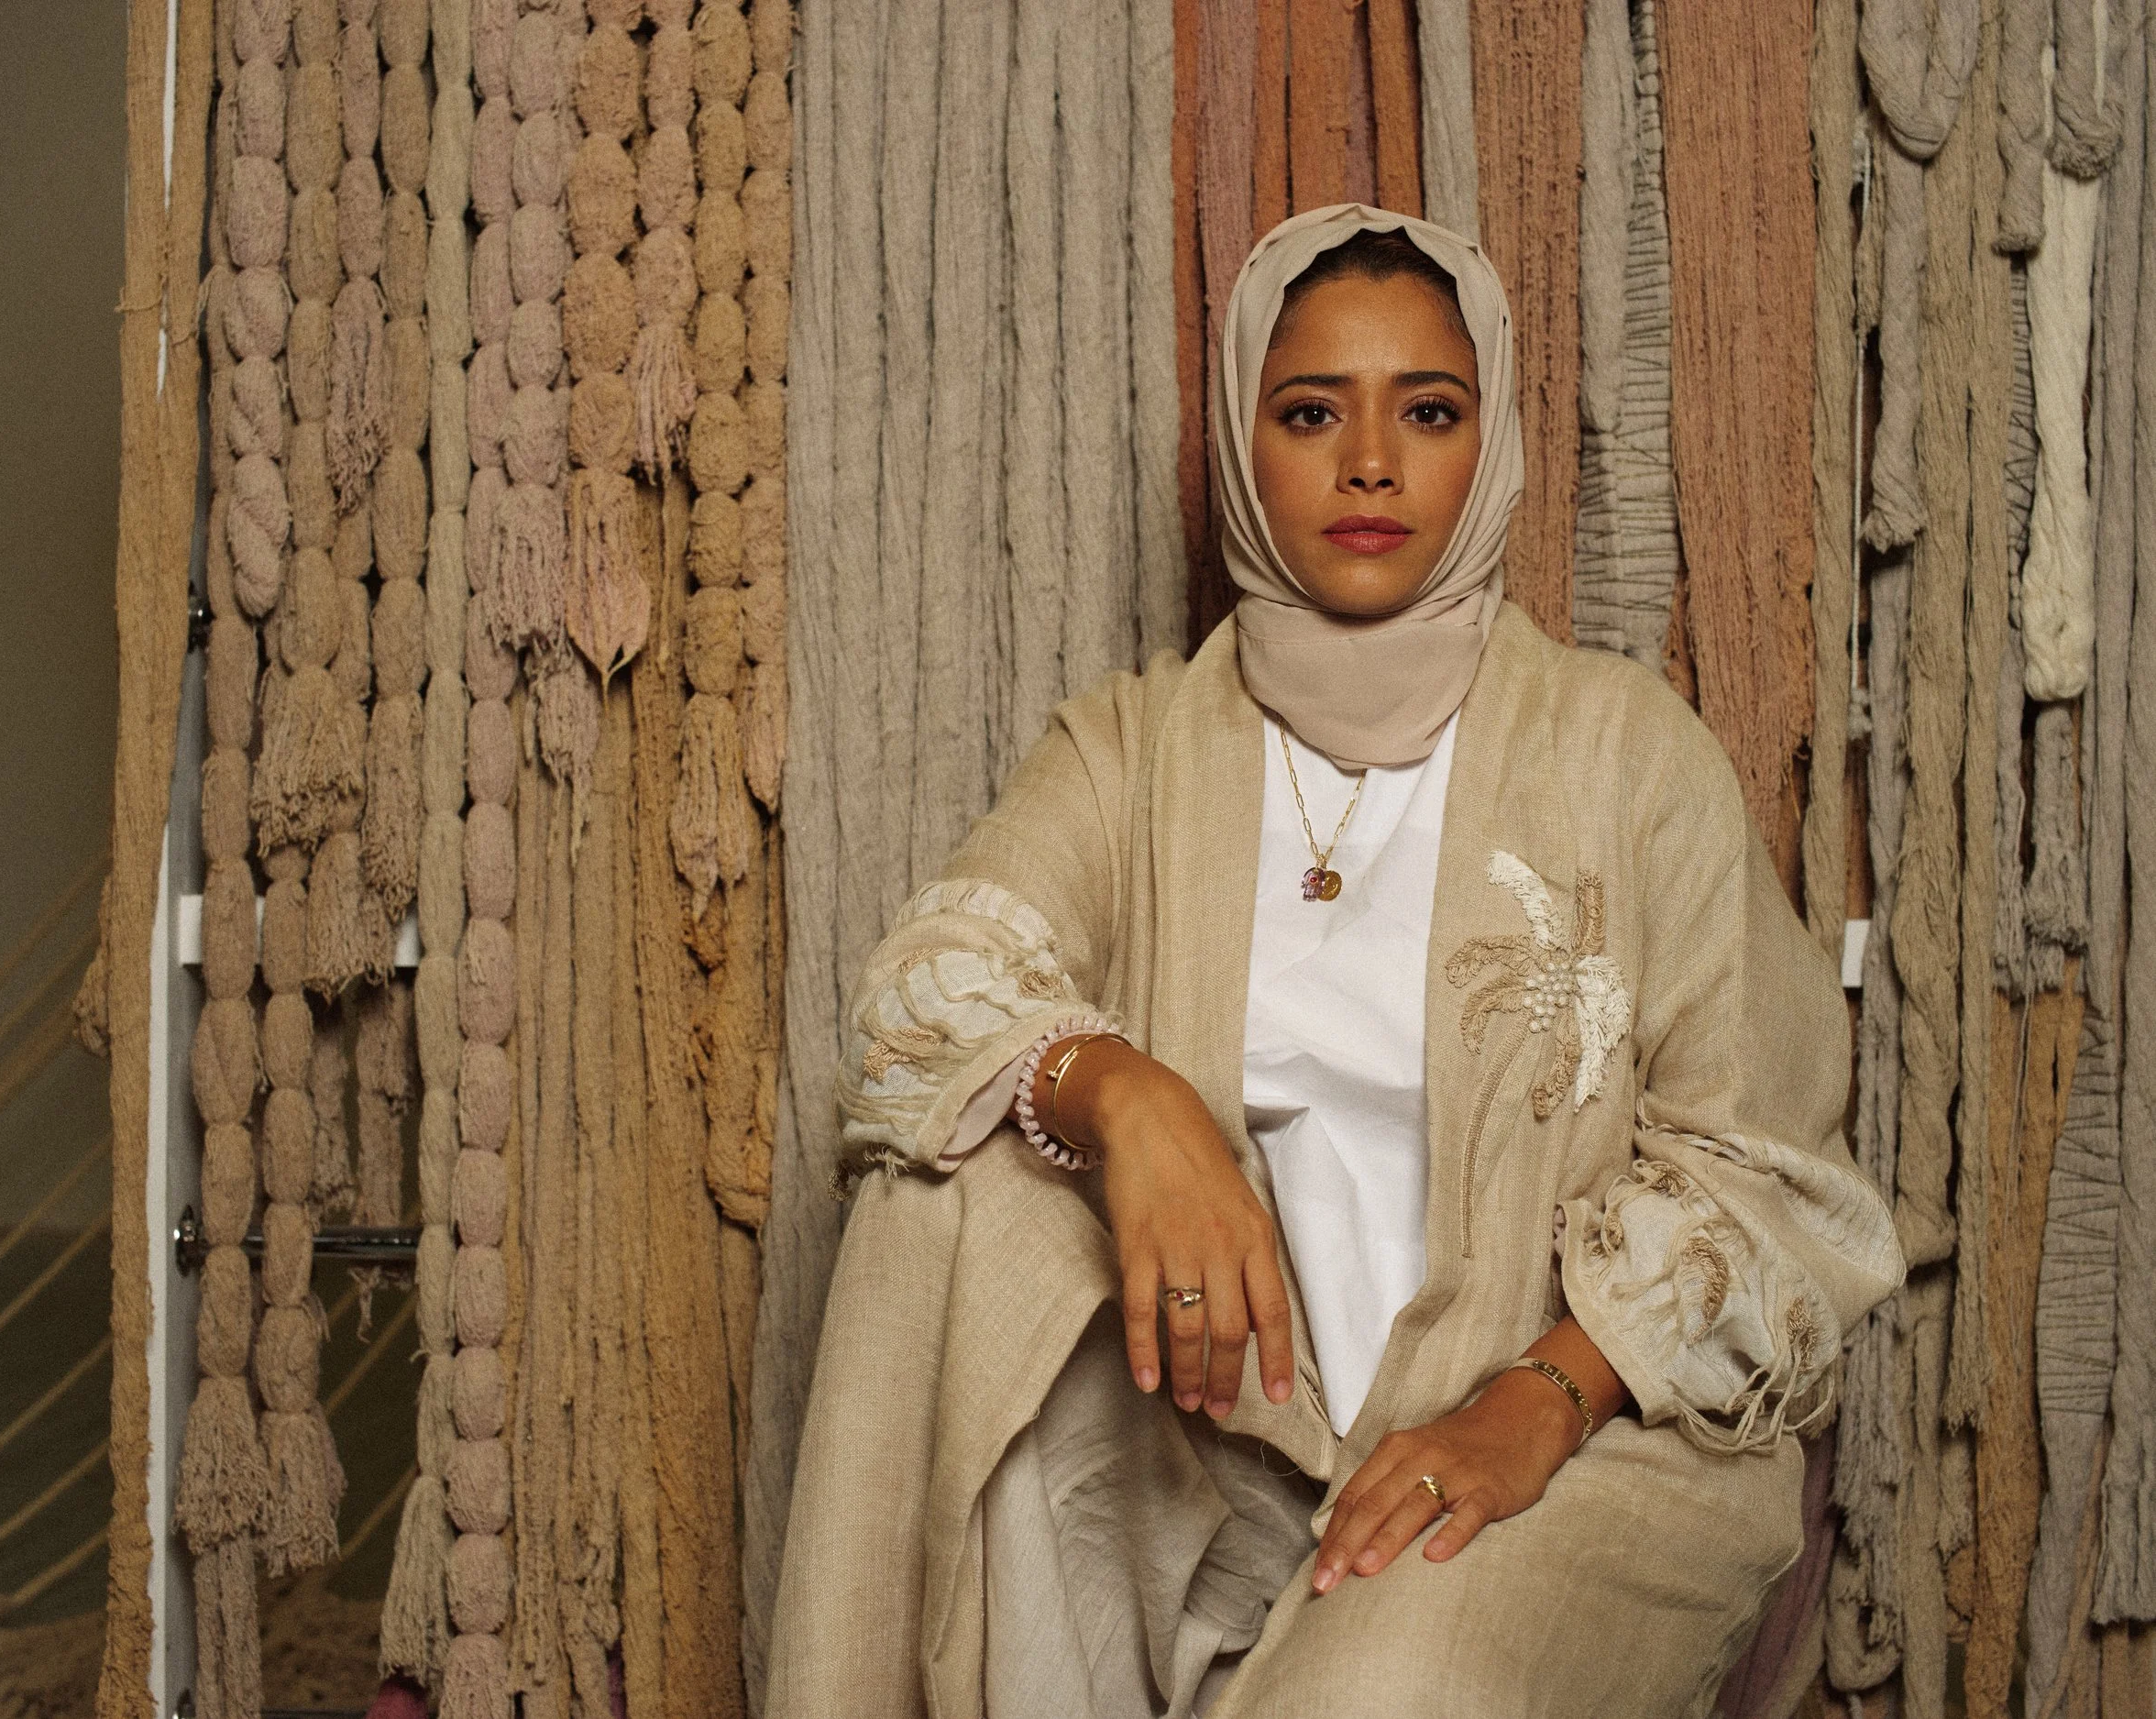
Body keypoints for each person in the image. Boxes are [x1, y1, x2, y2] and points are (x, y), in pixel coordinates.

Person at [764, 205, 1904, 1719]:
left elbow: (1772, 1180)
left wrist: (1540, 1397)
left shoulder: (1627, 754)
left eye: (1427, 413)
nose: (1371, 463)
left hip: (1565, 1450)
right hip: (1225, 1442)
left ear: (1484, 444)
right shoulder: (1142, 745)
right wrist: (1126, 1099)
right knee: (947, 1190)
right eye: (1313, 414)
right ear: (1246, 449)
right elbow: (931, 987)